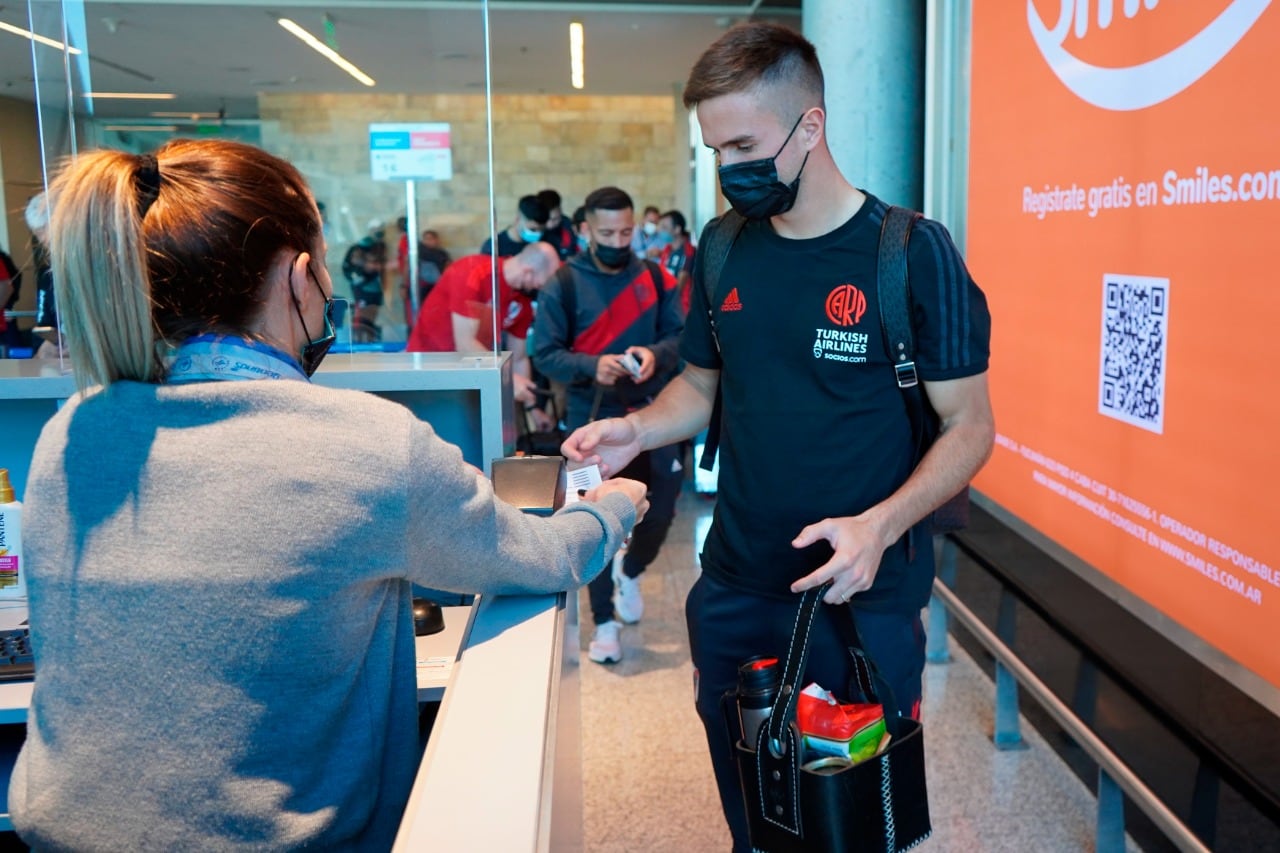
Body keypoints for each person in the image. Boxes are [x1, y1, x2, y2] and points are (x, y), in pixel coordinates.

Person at [10, 138, 649, 852]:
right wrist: (615, 503)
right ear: (300, 277)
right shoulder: (363, 442)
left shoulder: (71, 432)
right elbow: (540, 555)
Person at [561, 23, 994, 850]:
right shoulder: (722, 249)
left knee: (850, 828)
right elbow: (701, 383)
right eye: (715, 149)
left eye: (743, 145)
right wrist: (633, 430)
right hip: (735, 588)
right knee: (756, 820)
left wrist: (883, 524)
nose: (729, 170)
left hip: (858, 598)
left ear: (811, 127)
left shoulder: (910, 253)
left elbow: (971, 427)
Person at [533, 186, 685, 665]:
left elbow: (682, 339)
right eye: (606, 233)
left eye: (626, 231)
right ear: (584, 231)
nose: (618, 241)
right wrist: (590, 365)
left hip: (651, 411)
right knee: (596, 516)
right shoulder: (564, 283)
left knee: (660, 512)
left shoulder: (658, 279)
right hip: (588, 418)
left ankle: (632, 571)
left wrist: (653, 355)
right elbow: (545, 354)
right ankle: (604, 623)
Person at [405, 243, 560, 426]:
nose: (541, 289)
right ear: (528, 272)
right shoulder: (472, 272)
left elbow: (519, 358)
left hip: (472, 376)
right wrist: (507, 379)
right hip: (429, 370)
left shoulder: (521, 300)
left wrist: (531, 408)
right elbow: (465, 344)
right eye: (542, 283)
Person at [341, 219, 388, 341]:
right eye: (376, 229)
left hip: (374, 286)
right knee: (363, 314)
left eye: (380, 230)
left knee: (371, 313)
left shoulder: (380, 246)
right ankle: (361, 340)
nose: (379, 232)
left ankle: (368, 339)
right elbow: (360, 262)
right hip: (364, 286)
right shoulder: (365, 245)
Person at [480, 194, 548, 257]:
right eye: (533, 229)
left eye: (542, 230)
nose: (537, 234)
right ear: (518, 219)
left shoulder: (544, 244)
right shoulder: (494, 247)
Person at [657, 209, 697, 314]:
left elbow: (680, 285)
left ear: (677, 229)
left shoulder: (689, 252)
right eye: (660, 227)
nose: (660, 230)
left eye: (664, 227)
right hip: (667, 307)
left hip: (682, 311)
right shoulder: (667, 250)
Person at [537, 188, 577, 260]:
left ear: (560, 209)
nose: (550, 224)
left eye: (555, 219)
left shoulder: (569, 227)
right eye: (546, 219)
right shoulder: (533, 229)